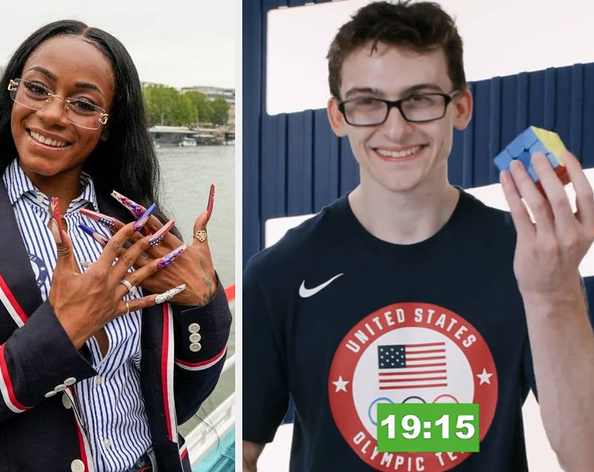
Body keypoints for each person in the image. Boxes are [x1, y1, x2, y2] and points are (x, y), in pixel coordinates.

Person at [242, 2, 594, 471]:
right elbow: (242, 452)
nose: (395, 126)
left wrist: (554, 294)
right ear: (337, 116)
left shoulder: (527, 258)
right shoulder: (278, 274)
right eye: (367, 101)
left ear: (461, 107)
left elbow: (585, 454)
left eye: (420, 98)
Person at [0, 20, 231, 472]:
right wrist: (59, 333)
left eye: (84, 104)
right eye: (37, 88)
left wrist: (203, 304)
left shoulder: (136, 225)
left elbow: (176, 398)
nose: (53, 114)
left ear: (108, 126)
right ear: (13, 94)